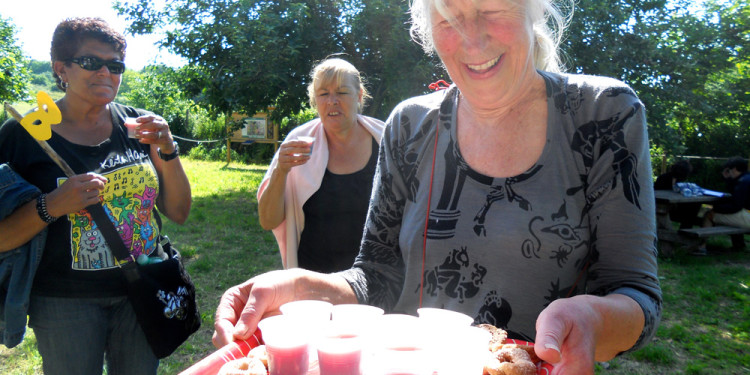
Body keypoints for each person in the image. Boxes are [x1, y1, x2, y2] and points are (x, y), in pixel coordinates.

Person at [213, 0, 662, 373]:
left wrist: (589, 317)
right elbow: (378, 277)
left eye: (491, 9)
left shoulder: (603, 115)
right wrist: (302, 285)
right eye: (449, 18)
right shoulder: (409, 125)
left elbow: (635, 294)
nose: (471, 38)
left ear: (532, 11)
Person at [0, 17, 191, 374]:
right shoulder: (22, 135)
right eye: (91, 62)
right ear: (61, 69)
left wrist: (167, 148)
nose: (106, 72)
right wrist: (51, 206)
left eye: (115, 65)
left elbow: (179, 212)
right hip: (63, 300)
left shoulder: (139, 126)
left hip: (143, 287)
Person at [257, 57, 384, 272]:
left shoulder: (385, 140)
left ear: (359, 96)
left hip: (375, 278)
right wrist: (281, 170)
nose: (332, 101)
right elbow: (268, 221)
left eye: (342, 92)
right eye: (323, 94)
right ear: (315, 101)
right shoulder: (298, 142)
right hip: (313, 281)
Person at [696, 157, 750, 254]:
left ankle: (701, 247)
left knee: (709, 214)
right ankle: (739, 245)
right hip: (746, 213)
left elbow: (735, 207)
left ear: (734, 169)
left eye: (729, 169)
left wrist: (715, 209)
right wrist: (728, 179)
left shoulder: (743, 182)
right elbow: (735, 196)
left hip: (747, 216)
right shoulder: (745, 178)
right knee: (728, 215)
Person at [654, 160, 701, 228]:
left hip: (674, 205)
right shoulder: (663, 178)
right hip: (662, 205)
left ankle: (686, 230)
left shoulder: (679, 181)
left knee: (695, 206)